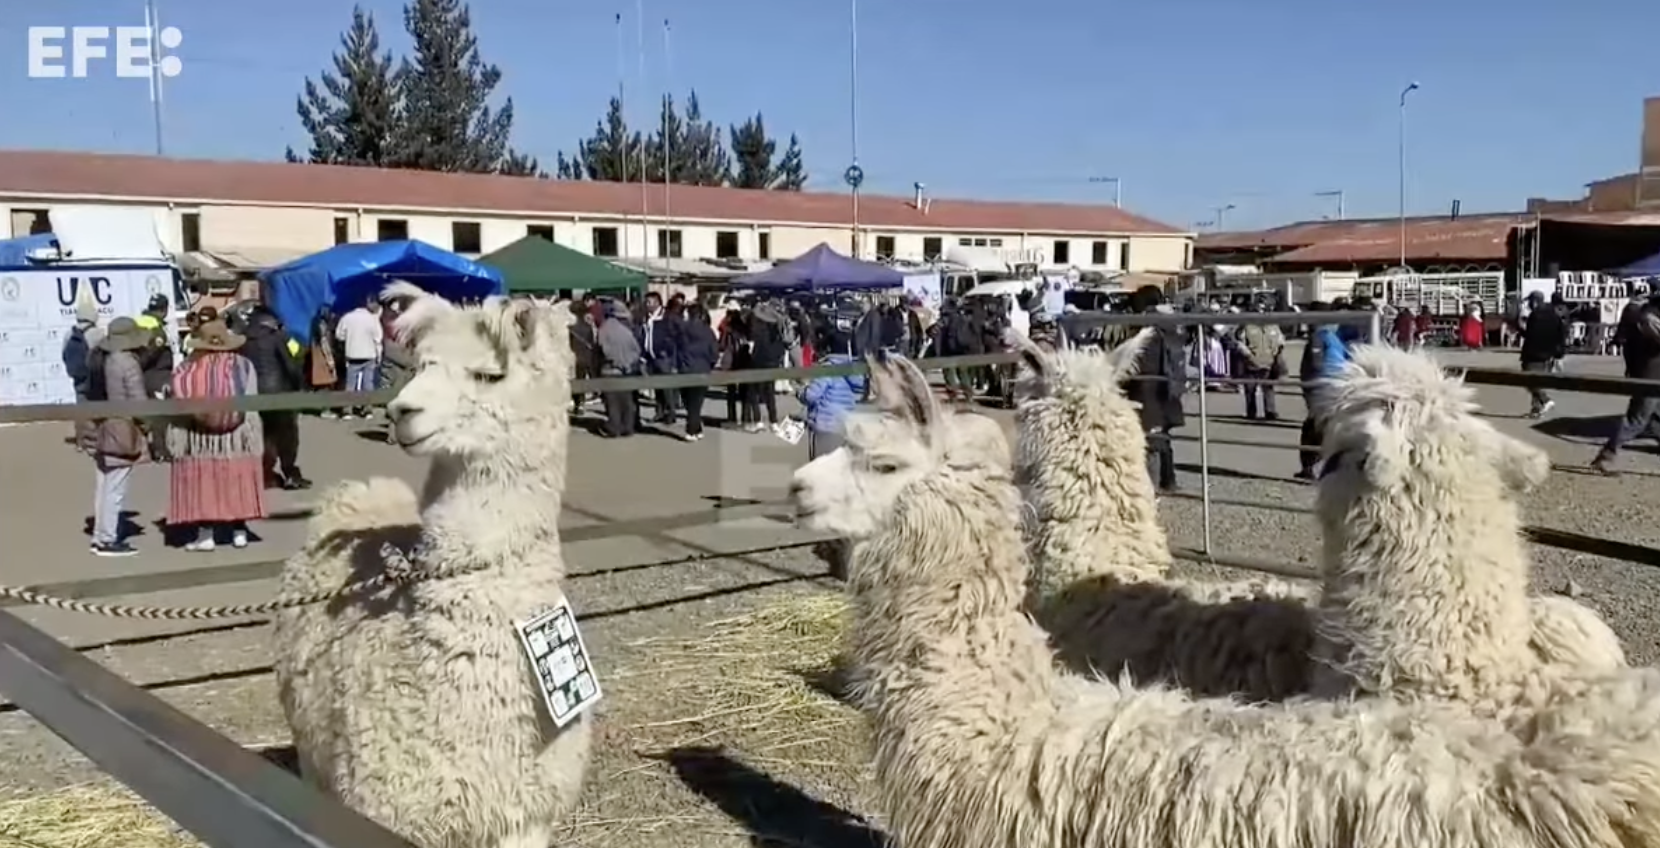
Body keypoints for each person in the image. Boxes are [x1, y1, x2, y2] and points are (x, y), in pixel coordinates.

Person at [168, 320, 267, 552]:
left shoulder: (187, 368)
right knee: (236, 478)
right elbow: (251, 399)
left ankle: (206, 535)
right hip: (237, 434)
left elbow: (177, 400)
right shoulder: (243, 365)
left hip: (199, 436)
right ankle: (239, 531)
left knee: (205, 480)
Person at [799, 329, 867, 580]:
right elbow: (859, 394)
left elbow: (813, 395)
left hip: (825, 425)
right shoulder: (853, 370)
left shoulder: (827, 369)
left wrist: (801, 392)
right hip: (844, 425)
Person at [83, 317, 151, 556]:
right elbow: (138, 401)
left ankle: (100, 536)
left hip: (98, 424)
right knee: (116, 486)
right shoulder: (126, 362)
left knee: (103, 484)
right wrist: (148, 424)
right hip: (121, 427)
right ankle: (108, 539)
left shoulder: (98, 359)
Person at [241, 306, 311, 489]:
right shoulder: (277, 338)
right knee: (287, 436)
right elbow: (291, 365)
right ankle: (290, 474)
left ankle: (264, 474)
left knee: (263, 434)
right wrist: (299, 386)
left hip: (253, 394)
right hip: (280, 392)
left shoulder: (244, 340)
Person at [1591, 292, 1660, 476]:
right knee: (1636, 419)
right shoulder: (1649, 317)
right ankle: (1606, 455)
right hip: (1651, 375)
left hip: (1653, 374)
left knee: (1655, 417)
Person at [1127, 286, 1185, 494]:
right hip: (1169, 389)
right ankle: (1168, 480)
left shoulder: (1148, 328)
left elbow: (1143, 363)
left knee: (1150, 443)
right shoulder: (1172, 323)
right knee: (1163, 439)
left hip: (1149, 390)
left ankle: (1150, 490)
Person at [1294, 302, 1358, 481]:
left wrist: (1310, 389)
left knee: (1314, 430)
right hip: (1337, 386)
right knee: (1327, 428)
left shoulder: (1321, 336)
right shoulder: (1335, 337)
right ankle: (1321, 467)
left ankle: (1312, 468)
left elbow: (1315, 364)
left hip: (1324, 389)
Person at [1518, 291, 1568, 419]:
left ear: (1534, 302)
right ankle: (1536, 410)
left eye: (1530, 301)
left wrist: (1519, 327)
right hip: (1548, 354)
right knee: (1537, 380)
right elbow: (1561, 335)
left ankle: (1546, 400)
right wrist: (1559, 354)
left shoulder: (1535, 315)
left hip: (1533, 353)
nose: (1529, 304)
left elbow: (1530, 335)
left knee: (1528, 379)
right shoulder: (1554, 315)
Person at [596, 300, 642, 438]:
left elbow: (602, 349)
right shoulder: (626, 331)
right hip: (626, 371)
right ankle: (628, 427)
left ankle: (613, 428)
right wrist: (627, 363)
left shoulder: (604, 329)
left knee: (612, 402)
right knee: (626, 401)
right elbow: (636, 350)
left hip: (609, 370)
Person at [1233, 301, 1285, 421]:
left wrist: (1277, 352)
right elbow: (1239, 342)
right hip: (1251, 363)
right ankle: (1251, 412)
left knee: (1268, 389)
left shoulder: (1273, 326)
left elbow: (1281, 340)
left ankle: (1270, 411)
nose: (1261, 313)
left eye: (1264, 311)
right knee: (1250, 389)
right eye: (1258, 311)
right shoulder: (1246, 326)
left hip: (1269, 362)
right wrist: (1248, 354)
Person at [334, 297, 383, 419]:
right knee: (368, 383)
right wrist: (379, 355)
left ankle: (347, 411)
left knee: (350, 384)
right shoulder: (372, 319)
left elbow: (339, 335)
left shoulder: (347, 318)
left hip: (352, 354)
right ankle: (367, 410)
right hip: (369, 354)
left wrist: (349, 339)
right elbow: (378, 339)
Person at [676, 304, 719, 441]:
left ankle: (692, 429)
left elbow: (676, 350)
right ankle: (695, 428)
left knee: (689, 401)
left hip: (685, 370)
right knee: (697, 401)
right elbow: (714, 353)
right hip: (702, 370)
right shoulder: (708, 332)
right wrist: (710, 365)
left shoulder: (682, 330)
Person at [63, 296, 102, 447]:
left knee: (81, 408)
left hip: (78, 377)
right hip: (94, 377)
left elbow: (64, 354)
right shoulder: (96, 333)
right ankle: (97, 439)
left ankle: (81, 440)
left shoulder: (70, 333)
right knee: (98, 408)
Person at [638, 292, 681, 425]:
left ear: (657, 302)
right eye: (646, 302)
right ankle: (660, 411)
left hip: (664, 357)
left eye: (649, 302)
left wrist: (670, 352)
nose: (647, 304)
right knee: (657, 386)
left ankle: (671, 413)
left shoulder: (667, 317)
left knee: (667, 387)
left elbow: (677, 336)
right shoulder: (646, 318)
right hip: (651, 356)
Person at [746, 299, 788, 433]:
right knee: (770, 393)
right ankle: (773, 421)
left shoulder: (758, 328)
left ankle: (758, 420)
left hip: (758, 362)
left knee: (753, 392)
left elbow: (753, 343)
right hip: (772, 362)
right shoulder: (778, 327)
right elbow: (782, 346)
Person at [568, 295, 601, 413]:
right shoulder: (587, 325)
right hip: (586, 356)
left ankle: (578, 402)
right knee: (583, 379)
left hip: (574, 357)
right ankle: (583, 402)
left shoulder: (570, 327)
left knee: (575, 380)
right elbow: (592, 340)